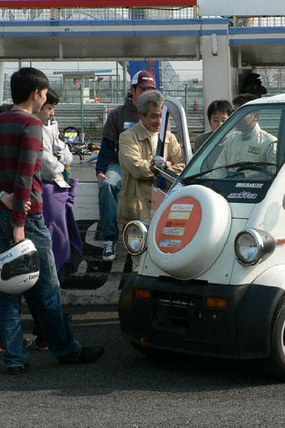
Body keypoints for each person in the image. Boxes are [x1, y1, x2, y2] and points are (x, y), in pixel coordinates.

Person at [0, 67, 104, 374]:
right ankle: (66, 349)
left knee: (6, 292)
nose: (46, 98)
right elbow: (26, 175)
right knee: (47, 288)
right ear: (36, 94)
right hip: (28, 219)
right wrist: (19, 222)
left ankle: (16, 357)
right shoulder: (31, 125)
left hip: (2, 213)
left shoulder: (1, 121)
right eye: (46, 94)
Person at [95, 70, 156, 260]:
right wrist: (100, 171)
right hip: (120, 165)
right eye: (143, 89)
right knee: (107, 185)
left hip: (148, 164)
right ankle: (109, 239)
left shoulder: (158, 113)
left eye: (151, 90)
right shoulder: (117, 115)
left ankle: (155, 239)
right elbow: (106, 147)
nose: (147, 93)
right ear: (133, 90)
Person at [118, 90, 185, 224]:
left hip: (166, 207)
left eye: (162, 116)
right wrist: (168, 164)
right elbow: (138, 169)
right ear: (141, 115)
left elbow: (183, 167)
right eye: (154, 116)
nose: (159, 121)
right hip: (137, 209)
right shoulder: (127, 137)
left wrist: (159, 167)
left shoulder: (169, 137)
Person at [36, 89, 83, 282]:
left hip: (54, 195)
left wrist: (58, 158)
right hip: (44, 197)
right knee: (52, 248)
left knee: (59, 244)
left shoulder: (47, 128)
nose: (52, 112)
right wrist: (59, 160)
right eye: (49, 107)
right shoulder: (33, 129)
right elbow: (48, 166)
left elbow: (66, 152)